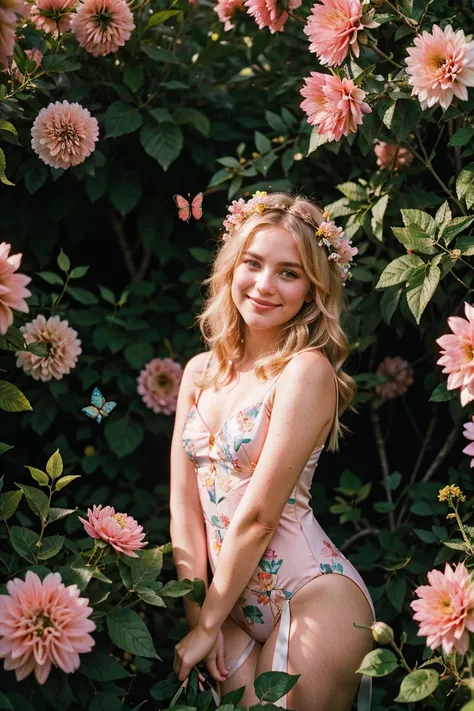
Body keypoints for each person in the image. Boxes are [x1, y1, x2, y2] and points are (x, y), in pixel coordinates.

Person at [169, 191, 375, 711]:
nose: (264, 285)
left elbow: (260, 516)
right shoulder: (198, 373)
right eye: (253, 264)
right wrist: (201, 621)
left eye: (289, 272)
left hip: (313, 596)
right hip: (227, 608)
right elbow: (184, 508)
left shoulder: (306, 371)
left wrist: (208, 621)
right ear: (231, 266)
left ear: (311, 290)